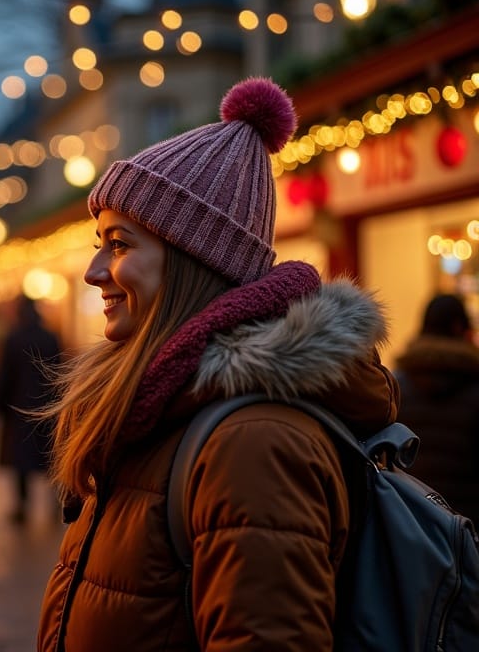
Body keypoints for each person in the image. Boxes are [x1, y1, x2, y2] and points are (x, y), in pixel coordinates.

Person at [35, 77, 399, 651]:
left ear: (191, 261)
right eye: (98, 243)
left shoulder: (253, 444)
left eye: (121, 244)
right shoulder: (156, 408)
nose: (94, 270)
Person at [394, 293, 479, 523]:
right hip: (468, 527)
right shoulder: (474, 387)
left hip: (412, 522)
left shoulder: (396, 386)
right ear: (459, 327)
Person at [0, 295, 62, 525]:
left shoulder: (14, 338)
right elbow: (59, 370)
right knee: (48, 457)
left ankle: (22, 506)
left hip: (19, 407)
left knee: (21, 460)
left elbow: (5, 375)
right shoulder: (50, 337)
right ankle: (54, 504)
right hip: (47, 405)